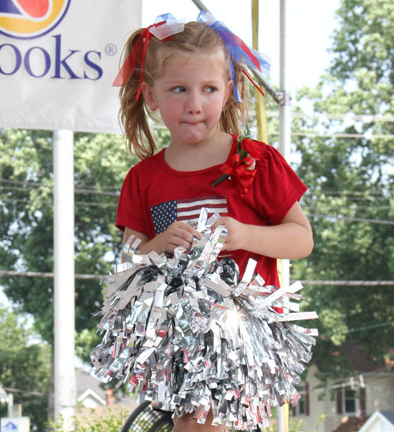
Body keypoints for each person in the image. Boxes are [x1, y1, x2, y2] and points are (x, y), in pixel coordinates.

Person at [113, 12, 313, 432]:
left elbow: (301, 239)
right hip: (176, 338)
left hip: (242, 337)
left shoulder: (255, 160)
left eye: (208, 89)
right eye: (178, 89)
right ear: (150, 96)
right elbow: (128, 261)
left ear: (229, 91)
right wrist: (157, 246)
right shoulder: (143, 178)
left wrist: (243, 234)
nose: (194, 104)